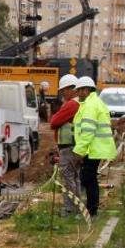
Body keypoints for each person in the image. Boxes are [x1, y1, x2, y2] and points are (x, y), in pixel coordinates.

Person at [72, 77, 117, 218]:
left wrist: (79, 152)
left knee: (88, 179)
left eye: (79, 90)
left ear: (86, 90)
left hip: (93, 149)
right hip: (95, 148)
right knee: (89, 179)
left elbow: (87, 132)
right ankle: (91, 210)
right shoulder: (95, 103)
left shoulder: (90, 106)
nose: (78, 93)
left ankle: (91, 211)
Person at [49, 74, 81, 216]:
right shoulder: (78, 103)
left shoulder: (72, 104)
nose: (63, 93)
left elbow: (54, 122)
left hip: (68, 146)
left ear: (72, 89)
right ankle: (78, 206)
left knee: (68, 177)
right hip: (73, 146)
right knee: (74, 177)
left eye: (64, 90)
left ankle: (69, 209)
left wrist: (58, 112)